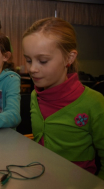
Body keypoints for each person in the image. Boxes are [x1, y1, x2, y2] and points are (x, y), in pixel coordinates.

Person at [22, 17, 104, 179]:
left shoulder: (94, 102)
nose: (32, 69)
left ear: (69, 58)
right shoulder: (34, 96)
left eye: (43, 61)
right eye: (28, 60)